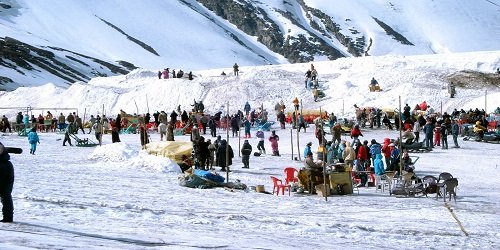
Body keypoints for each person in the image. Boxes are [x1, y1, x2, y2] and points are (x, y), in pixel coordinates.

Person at [0, 143, 14, 222]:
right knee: (5, 196)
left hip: (4, 168)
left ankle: (8, 217)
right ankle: (8, 217)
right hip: (5, 167)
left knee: (5, 196)